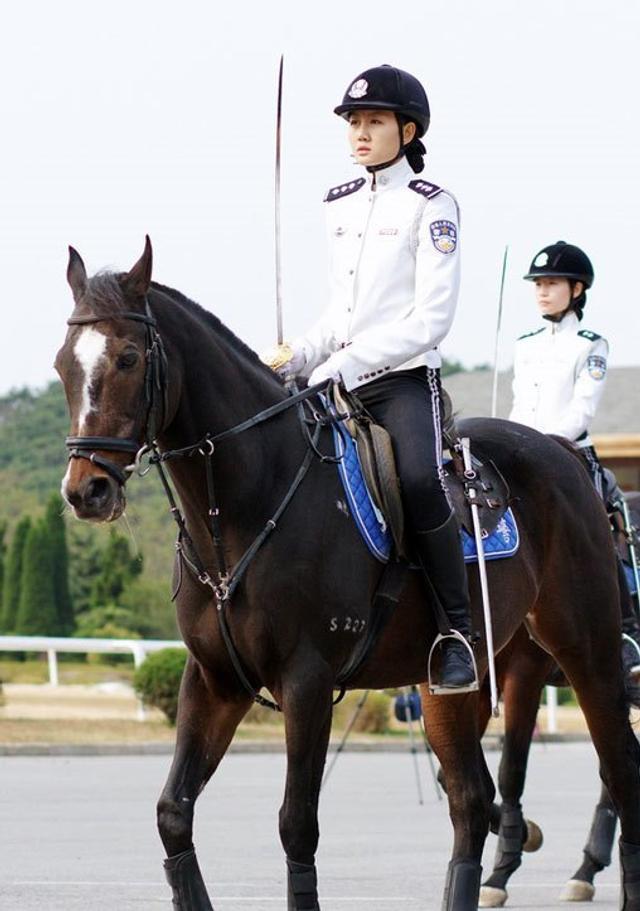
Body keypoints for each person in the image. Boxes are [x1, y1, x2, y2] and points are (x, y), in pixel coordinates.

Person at [262, 64, 476, 689]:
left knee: (416, 478)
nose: (359, 131)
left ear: (407, 130)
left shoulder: (433, 207)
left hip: (405, 381)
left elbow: (430, 320)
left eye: (374, 121)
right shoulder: (339, 206)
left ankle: (454, 631)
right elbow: (341, 314)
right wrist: (297, 355)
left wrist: (343, 363)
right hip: (338, 379)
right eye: (354, 121)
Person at [510, 240, 640, 676]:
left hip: (570, 456)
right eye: (538, 284)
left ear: (577, 289)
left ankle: (626, 633)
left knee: (609, 534)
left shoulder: (591, 344)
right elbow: (517, 406)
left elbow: (582, 409)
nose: (542, 291)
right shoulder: (523, 344)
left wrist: (541, 447)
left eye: (551, 283)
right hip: (520, 453)